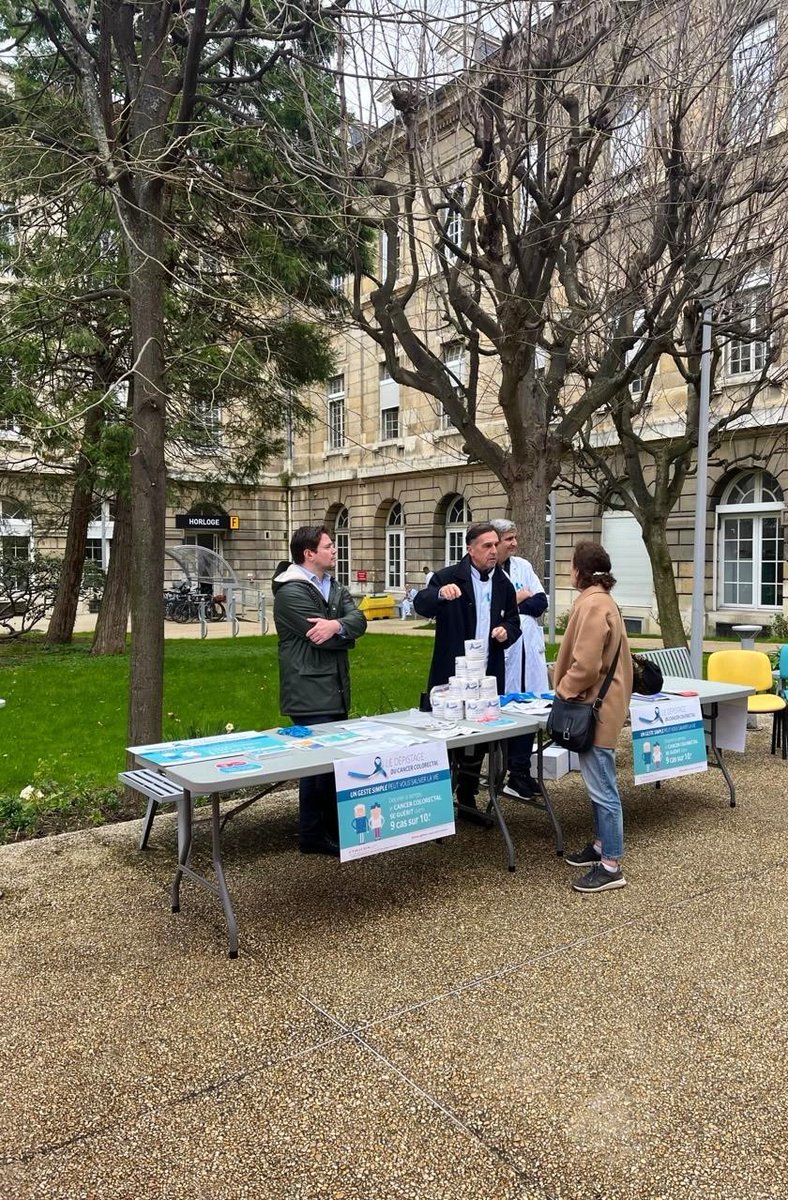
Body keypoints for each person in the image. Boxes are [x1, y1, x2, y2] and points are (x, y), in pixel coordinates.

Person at [414, 523, 521, 821]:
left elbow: (515, 622)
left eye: (495, 545)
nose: (493, 550)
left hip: (487, 675)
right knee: (447, 737)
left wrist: (505, 632)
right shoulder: (449, 577)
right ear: (470, 549)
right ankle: (439, 800)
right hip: (452, 673)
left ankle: (467, 795)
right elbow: (421, 604)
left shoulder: (503, 583)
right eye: (486, 545)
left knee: (478, 740)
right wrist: (438, 595)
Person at [273, 526, 368, 856]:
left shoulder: (334, 586)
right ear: (308, 554)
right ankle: (312, 835)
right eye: (329, 546)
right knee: (317, 769)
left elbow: (359, 620)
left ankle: (330, 829)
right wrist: (339, 628)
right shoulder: (290, 592)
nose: (335, 550)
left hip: (335, 688)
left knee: (331, 765)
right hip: (309, 690)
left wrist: (338, 625)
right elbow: (321, 638)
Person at [553, 541, 633, 893]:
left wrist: (563, 690)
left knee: (603, 788)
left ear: (579, 570)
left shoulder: (593, 604)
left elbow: (586, 665)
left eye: (571, 565)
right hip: (602, 703)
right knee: (599, 784)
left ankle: (611, 865)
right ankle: (601, 848)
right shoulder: (602, 601)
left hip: (594, 706)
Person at [490, 519, 549, 799]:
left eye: (515, 538)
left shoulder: (522, 566)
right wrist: (518, 597)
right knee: (507, 710)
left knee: (529, 708)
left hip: (528, 650)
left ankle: (520, 773)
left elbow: (540, 602)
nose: (514, 543)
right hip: (506, 650)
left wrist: (515, 601)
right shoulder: (488, 570)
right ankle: (506, 771)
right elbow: (493, 608)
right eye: (509, 539)